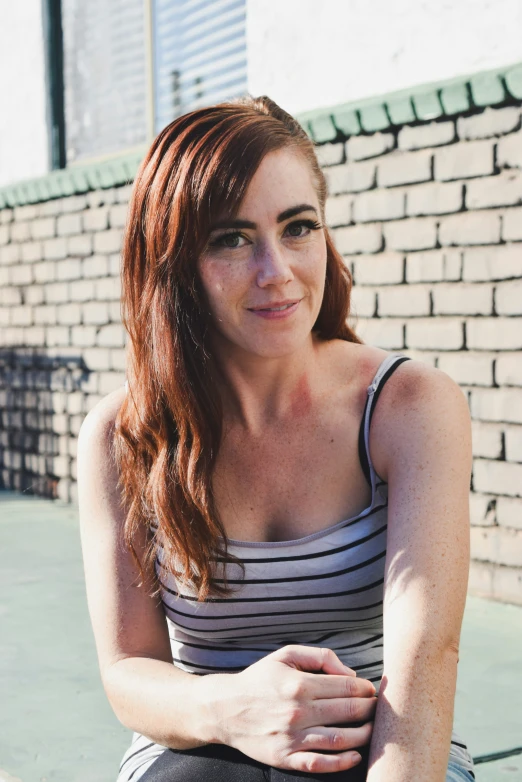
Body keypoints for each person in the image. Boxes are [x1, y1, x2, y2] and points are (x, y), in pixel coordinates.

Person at [77, 95, 476, 782]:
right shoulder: (124, 436)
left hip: (381, 746)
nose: (277, 271)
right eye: (230, 238)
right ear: (173, 263)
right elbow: (127, 672)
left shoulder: (410, 407)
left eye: (297, 228)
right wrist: (232, 707)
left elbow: (426, 658)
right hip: (195, 746)